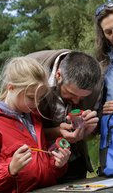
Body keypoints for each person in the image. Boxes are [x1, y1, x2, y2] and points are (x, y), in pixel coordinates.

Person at [0, 57, 71, 193]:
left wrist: (57, 165)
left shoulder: (34, 119)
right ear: (11, 87)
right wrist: (9, 169)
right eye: (32, 97)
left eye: (40, 98)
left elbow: (41, 170)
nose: (37, 104)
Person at [27, 50, 102, 180]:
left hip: (73, 162)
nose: (76, 101)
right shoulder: (30, 70)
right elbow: (18, 129)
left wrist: (88, 130)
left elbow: (93, 132)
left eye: (83, 97)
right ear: (58, 75)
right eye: (71, 94)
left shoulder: (96, 83)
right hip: (35, 164)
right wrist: (57, 132)